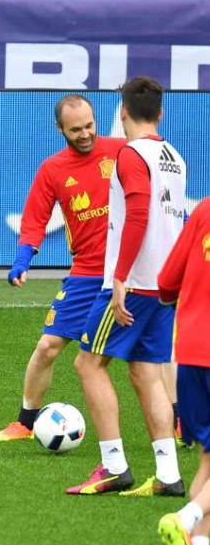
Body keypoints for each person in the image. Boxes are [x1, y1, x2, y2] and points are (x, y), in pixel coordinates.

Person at [66, 76, 186, 496]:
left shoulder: (131, 155)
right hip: (164, 284)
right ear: (161, 113)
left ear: (122, 111)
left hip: (133, 283)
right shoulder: (175, 156)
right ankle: (169, 475)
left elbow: (137, 217)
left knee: (88, 363)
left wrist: (119, 278)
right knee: (145, 372)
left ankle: (114, 466)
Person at [0, 95, 125, 441]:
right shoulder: (52, 169)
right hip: (86, 273)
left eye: (90, 126)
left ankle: (177, 421)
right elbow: (34, 219)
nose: (85, 134)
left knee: (149, 358)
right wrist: (23, 259)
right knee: (48, 347)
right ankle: (25, 421)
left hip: (130, 272)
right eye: (75, 129)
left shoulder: (123, 151)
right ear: (59, 128)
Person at [155, 197, 210, 545]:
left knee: (208, 462)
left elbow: (166, 281)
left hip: (190, 353)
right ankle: (186, 519)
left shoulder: (205, 209)